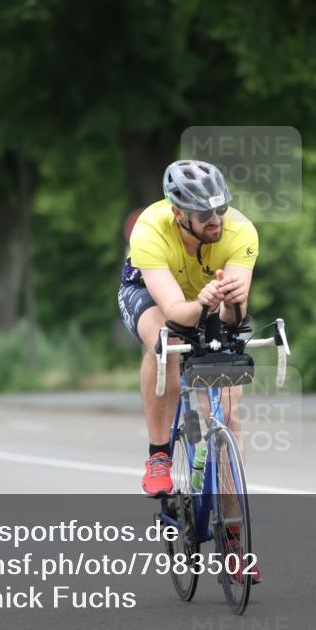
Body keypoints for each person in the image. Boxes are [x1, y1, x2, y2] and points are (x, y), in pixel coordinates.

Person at [117, 160, 258, 496]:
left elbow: (231, 320)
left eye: (221, 208)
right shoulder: (149, 231)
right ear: (179, 214)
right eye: (204, 214)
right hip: (151, 294)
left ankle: (233, 529)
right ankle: (159, 455)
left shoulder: (241, 232)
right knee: (166, 344)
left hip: (207, 295)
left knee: (229, 413)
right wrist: (203, 303)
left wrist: (232, 303)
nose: (216, 220)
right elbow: (177, 314)